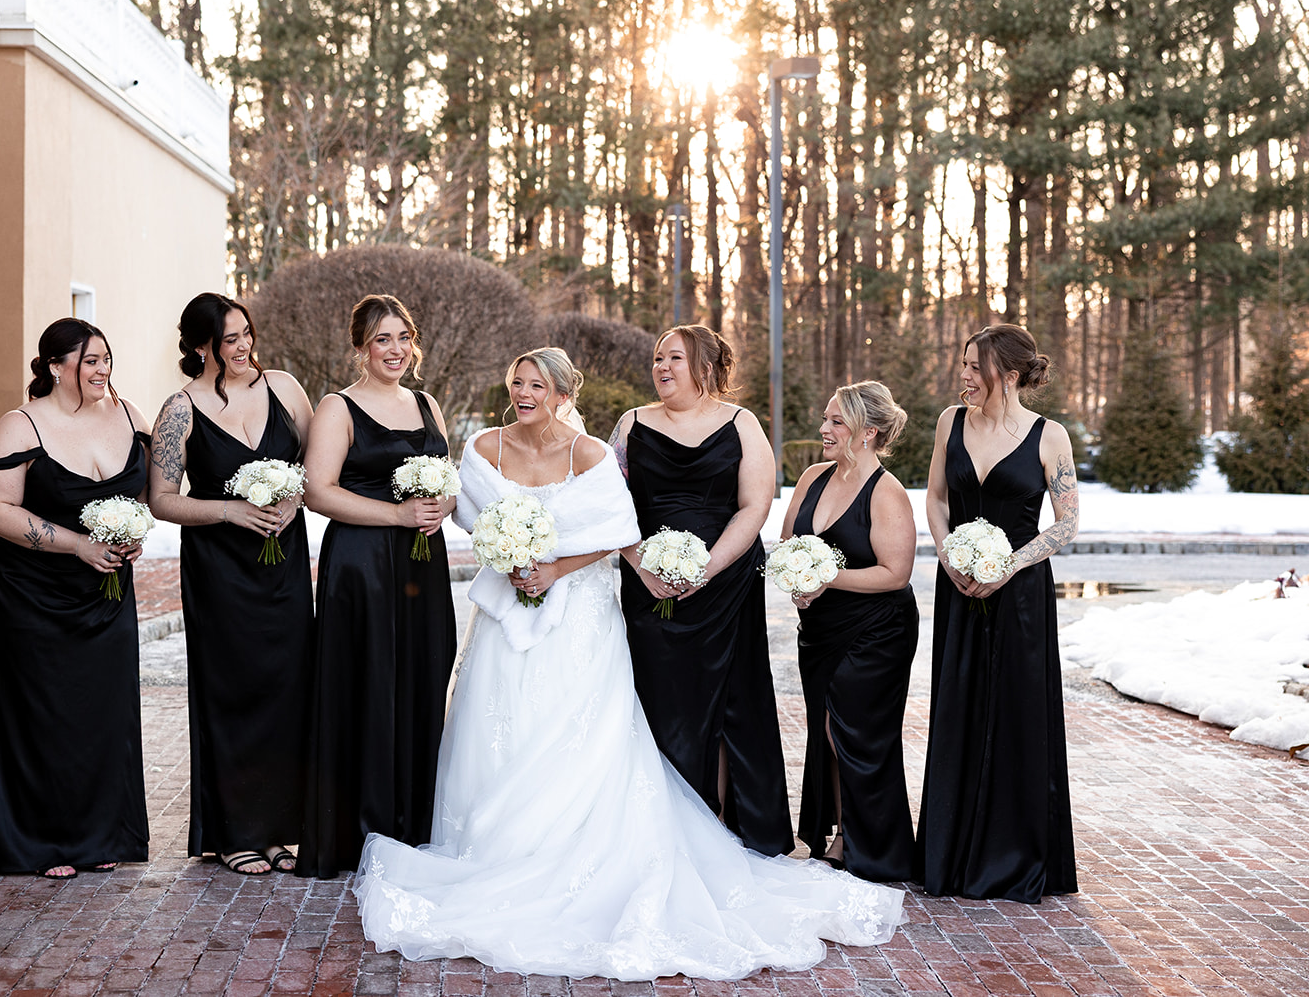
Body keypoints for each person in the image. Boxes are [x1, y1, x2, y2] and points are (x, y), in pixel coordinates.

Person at [355, 348, 905, 980]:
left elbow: (614, 526)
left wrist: (564, 568)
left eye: (537, 384)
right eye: (516, 384)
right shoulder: (487, 446)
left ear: (562, 391)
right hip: (509, 615)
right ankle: (499, 848)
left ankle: (595, 845)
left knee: (591, 729)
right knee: (497, 723)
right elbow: (477, 519)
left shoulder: (591, 452)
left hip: (587, 615)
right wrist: (510, 560)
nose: (524, 392)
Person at [0, 318, 152, 879]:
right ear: (56, 367)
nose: (102, 369)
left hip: (105, 587)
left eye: (106, 358)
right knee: (42, 710)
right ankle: (40, 841)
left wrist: (127, 533)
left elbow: (142, 494)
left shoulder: (131, 417)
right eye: (89, 360)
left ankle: (98, 832)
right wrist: (77, 546)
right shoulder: (20, 426)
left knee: (101, 708)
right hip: (31, 591)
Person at [148, 293, 315, 876]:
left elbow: (316, 472)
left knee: (289, 684)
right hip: (219, 569)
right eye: (231, 340)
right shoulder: (180, 409)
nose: (245, 347)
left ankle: (282, 827)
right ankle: (232, 832)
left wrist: (292, 502)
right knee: (231, 690)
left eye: (248, 334)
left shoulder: (287, 389)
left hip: (284, 564)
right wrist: (229, 511)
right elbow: (161, 501)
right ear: (201, 347)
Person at [609, 325, 793, 856]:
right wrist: (642, 564)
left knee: (730, 699)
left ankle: (726, 825)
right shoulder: (631, 424)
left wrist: (705, 569)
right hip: (649, 583)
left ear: (705, 368)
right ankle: (661, 825)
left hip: (726, 583)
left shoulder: (741, 423)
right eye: (656, 358)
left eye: (674, 358)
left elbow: (755, 506)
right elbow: (610, 503)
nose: (661, 367)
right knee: (660, 698)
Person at [917, 323, 1080, 903]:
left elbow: (1065, 523)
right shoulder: (949, 423)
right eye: (962, 365)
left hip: (1021, 596)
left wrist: (1007, 566)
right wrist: (948, 554)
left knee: (1017, 715)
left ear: (1008, 375)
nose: (963, 376)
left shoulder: (1049, 435)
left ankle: (1015, 857)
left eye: (973, 366)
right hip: (959, 585)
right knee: (958, 707)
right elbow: (936, 498)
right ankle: (951, 853)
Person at [300, 294, 458, 878]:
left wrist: (440, 503)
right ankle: (362, 829)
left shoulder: (427, 404)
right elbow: (318, 490)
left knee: (421, 675)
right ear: (362, 348)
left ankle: (412, 825)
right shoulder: (339, 407)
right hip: (362, 565)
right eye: (382, 340)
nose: (395, 350)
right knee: (366, 684)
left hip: (423, 561)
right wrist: (396, 516)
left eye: (402, 338)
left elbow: (446, 480)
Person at [780, 381, 918, 881]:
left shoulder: (887, 493)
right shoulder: (813, 477)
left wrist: (825, 578)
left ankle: (866, 844)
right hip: (819, 629)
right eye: (825, 417)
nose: (824, 428)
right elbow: (788, 543)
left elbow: (895, 573)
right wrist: (797, 579)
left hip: (877, 630)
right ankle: (841, 829)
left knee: (853, 735)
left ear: (867, 432)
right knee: (825, 730)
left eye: (836, 421)